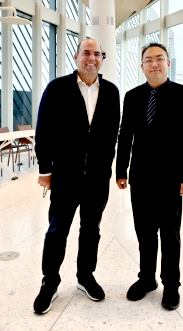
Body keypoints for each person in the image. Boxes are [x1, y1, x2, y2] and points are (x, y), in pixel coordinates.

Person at [33, 38, 120, 314]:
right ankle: (50, 281)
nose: (91, 58)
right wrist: (45, 170)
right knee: (57, 231)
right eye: (86, 53)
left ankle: (85, 276)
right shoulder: (57, 88)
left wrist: (106, 168)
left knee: (91, 230)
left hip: (97, 179)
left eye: (97, 54)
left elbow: (112, 135)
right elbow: (43, 131)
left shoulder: (112, 91)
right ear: (76, 57)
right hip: (65, 177)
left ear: (102, 59)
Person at [116, 42, 183, 311]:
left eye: (159, 59)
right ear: (142, 66)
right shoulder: (132, 96)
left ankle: (171, 284)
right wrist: (120, 170)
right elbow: (125, 135)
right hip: (140, 177)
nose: (154, 64)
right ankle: (147, 279)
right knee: (144, 232)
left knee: (170, 234)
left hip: (171, 178)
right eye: (149, 60)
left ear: (168, 63)